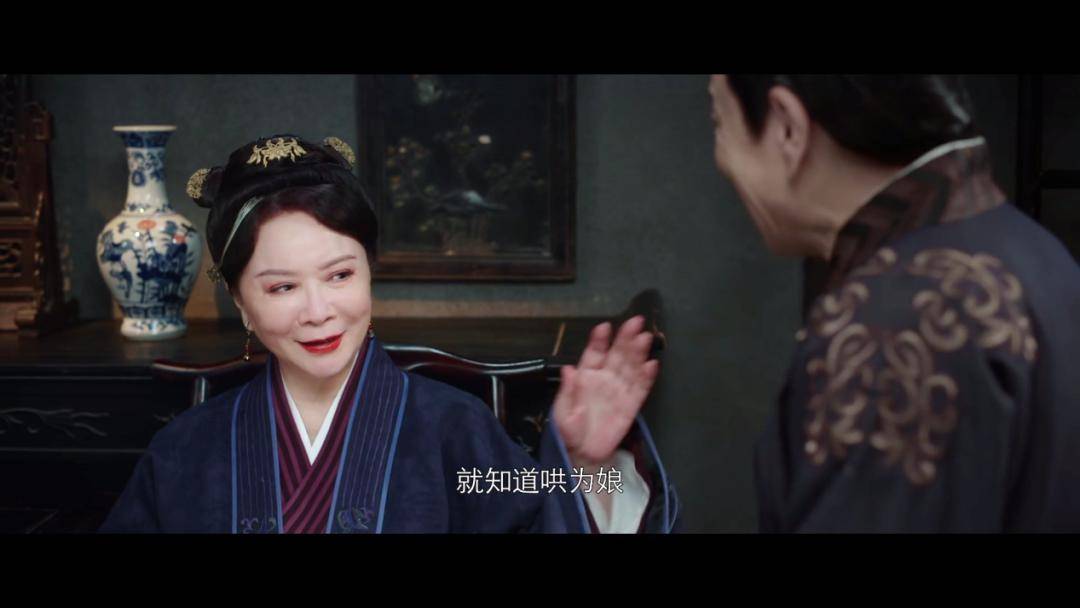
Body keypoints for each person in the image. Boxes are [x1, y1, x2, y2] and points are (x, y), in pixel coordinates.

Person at [101, 134, 676, 533]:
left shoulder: (455, 434)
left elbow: (541, 509)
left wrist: (585, 464)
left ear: (369, 273)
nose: (319, 311)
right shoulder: (185, 453)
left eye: (340, 276)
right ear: (241, 302)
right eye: (282, 287)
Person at [708, 75, 1080, 532]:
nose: (721, 160)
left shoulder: (894, 326)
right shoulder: (1030, 248)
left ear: (788, 128)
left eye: (719, 121)